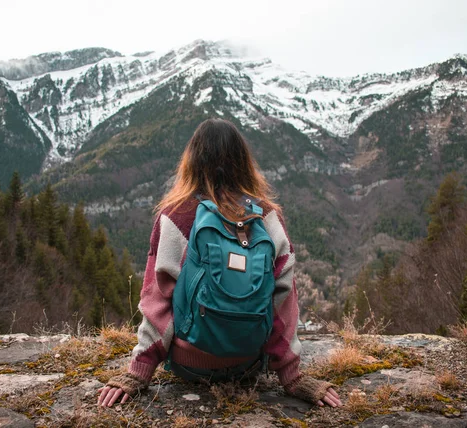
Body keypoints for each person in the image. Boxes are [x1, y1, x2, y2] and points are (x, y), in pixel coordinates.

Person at [97, 119, 342, 408]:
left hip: (190, 366)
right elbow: (283, 298)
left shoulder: (174, 215)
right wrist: (292, 377)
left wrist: (139, 372)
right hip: (247, 365)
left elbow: (157, 300)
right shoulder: (266, 216)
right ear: (243, 162)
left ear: (191, 162)